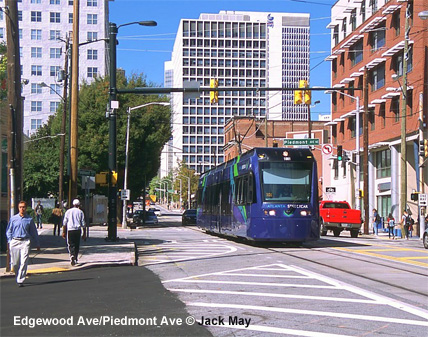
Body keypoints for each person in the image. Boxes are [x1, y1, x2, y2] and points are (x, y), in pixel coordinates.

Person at [6, 201, 40, 287]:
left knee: (24, 261)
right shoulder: (13, 219)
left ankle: (20, 279)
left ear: (26, 208)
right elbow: (9, 231)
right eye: (20, 207)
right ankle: (18, 275)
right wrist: (10, 241)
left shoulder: (29, 219)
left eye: (24, 207)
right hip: (15, 241)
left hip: (25, 241)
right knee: (15, 263)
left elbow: (34, 232)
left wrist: (37, 243)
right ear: (18, 208)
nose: (22, 209)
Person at [62, 199, 86, 266]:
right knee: (77, 244)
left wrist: (64, 232)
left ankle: (72, 255)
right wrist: (84, 233)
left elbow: (64, 223)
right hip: (78, 230)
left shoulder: (68, 211)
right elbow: (83, 223)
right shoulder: (80, 212)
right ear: (79, 205)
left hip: (70, 230)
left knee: (70, 244)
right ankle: (75, 257)